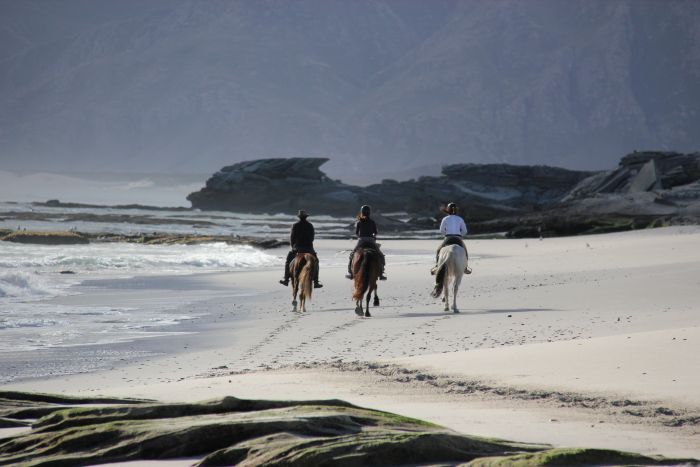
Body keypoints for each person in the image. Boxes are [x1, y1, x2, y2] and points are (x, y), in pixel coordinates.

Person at [279, 210, 323, 288]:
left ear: (299, 217)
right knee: (316, 262)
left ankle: (286, 279)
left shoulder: (295, 225)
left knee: (288, 261)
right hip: (309, 249)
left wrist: (293, 247)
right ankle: (316, 282)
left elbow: (292, 238)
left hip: (298, 248)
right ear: (306, 217)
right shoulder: (310, 225)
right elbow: (312, 238)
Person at [345, 205, 387, 280]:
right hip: (371, 240)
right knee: (380, 255)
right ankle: (381, 273)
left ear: (362, 212)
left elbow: (357, 233)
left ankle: (350, 273)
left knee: (352, 254)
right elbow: (375, 232)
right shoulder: (372, 222)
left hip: (361, 240)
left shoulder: (359, 222)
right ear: (369, 213)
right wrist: (373, 236)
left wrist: (360, 236)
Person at [432, 202, 471, 274]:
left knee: (438, 250)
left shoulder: (445, 219)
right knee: (465, 251)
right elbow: (465, 231)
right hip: (458, 238)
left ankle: (437, 266)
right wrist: (459, 235)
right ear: (456, 210)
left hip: (448, 238)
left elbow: (442, 230)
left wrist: (446, 235)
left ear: (448, 210)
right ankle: (466, 268)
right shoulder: (460, 219)